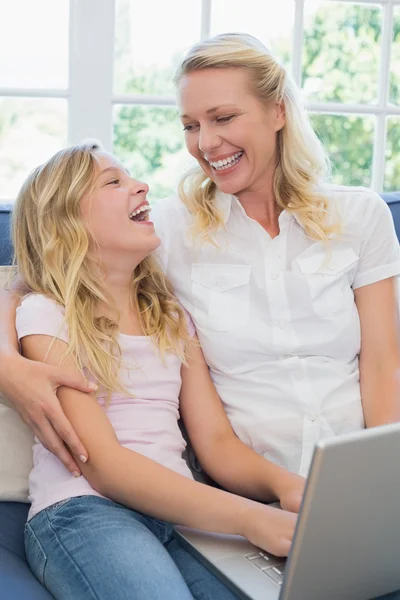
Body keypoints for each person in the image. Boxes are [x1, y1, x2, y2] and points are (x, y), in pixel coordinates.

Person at [9, 142, 302, 600]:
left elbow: (218, 444)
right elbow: (103, 466)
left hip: (179, 512)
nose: (141, 186)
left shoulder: (172, 318)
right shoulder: (47, 313)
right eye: (113, 182)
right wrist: (250, 517)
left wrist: (288, 487)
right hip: (86, 510)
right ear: (66, 222)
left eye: (133, 176)